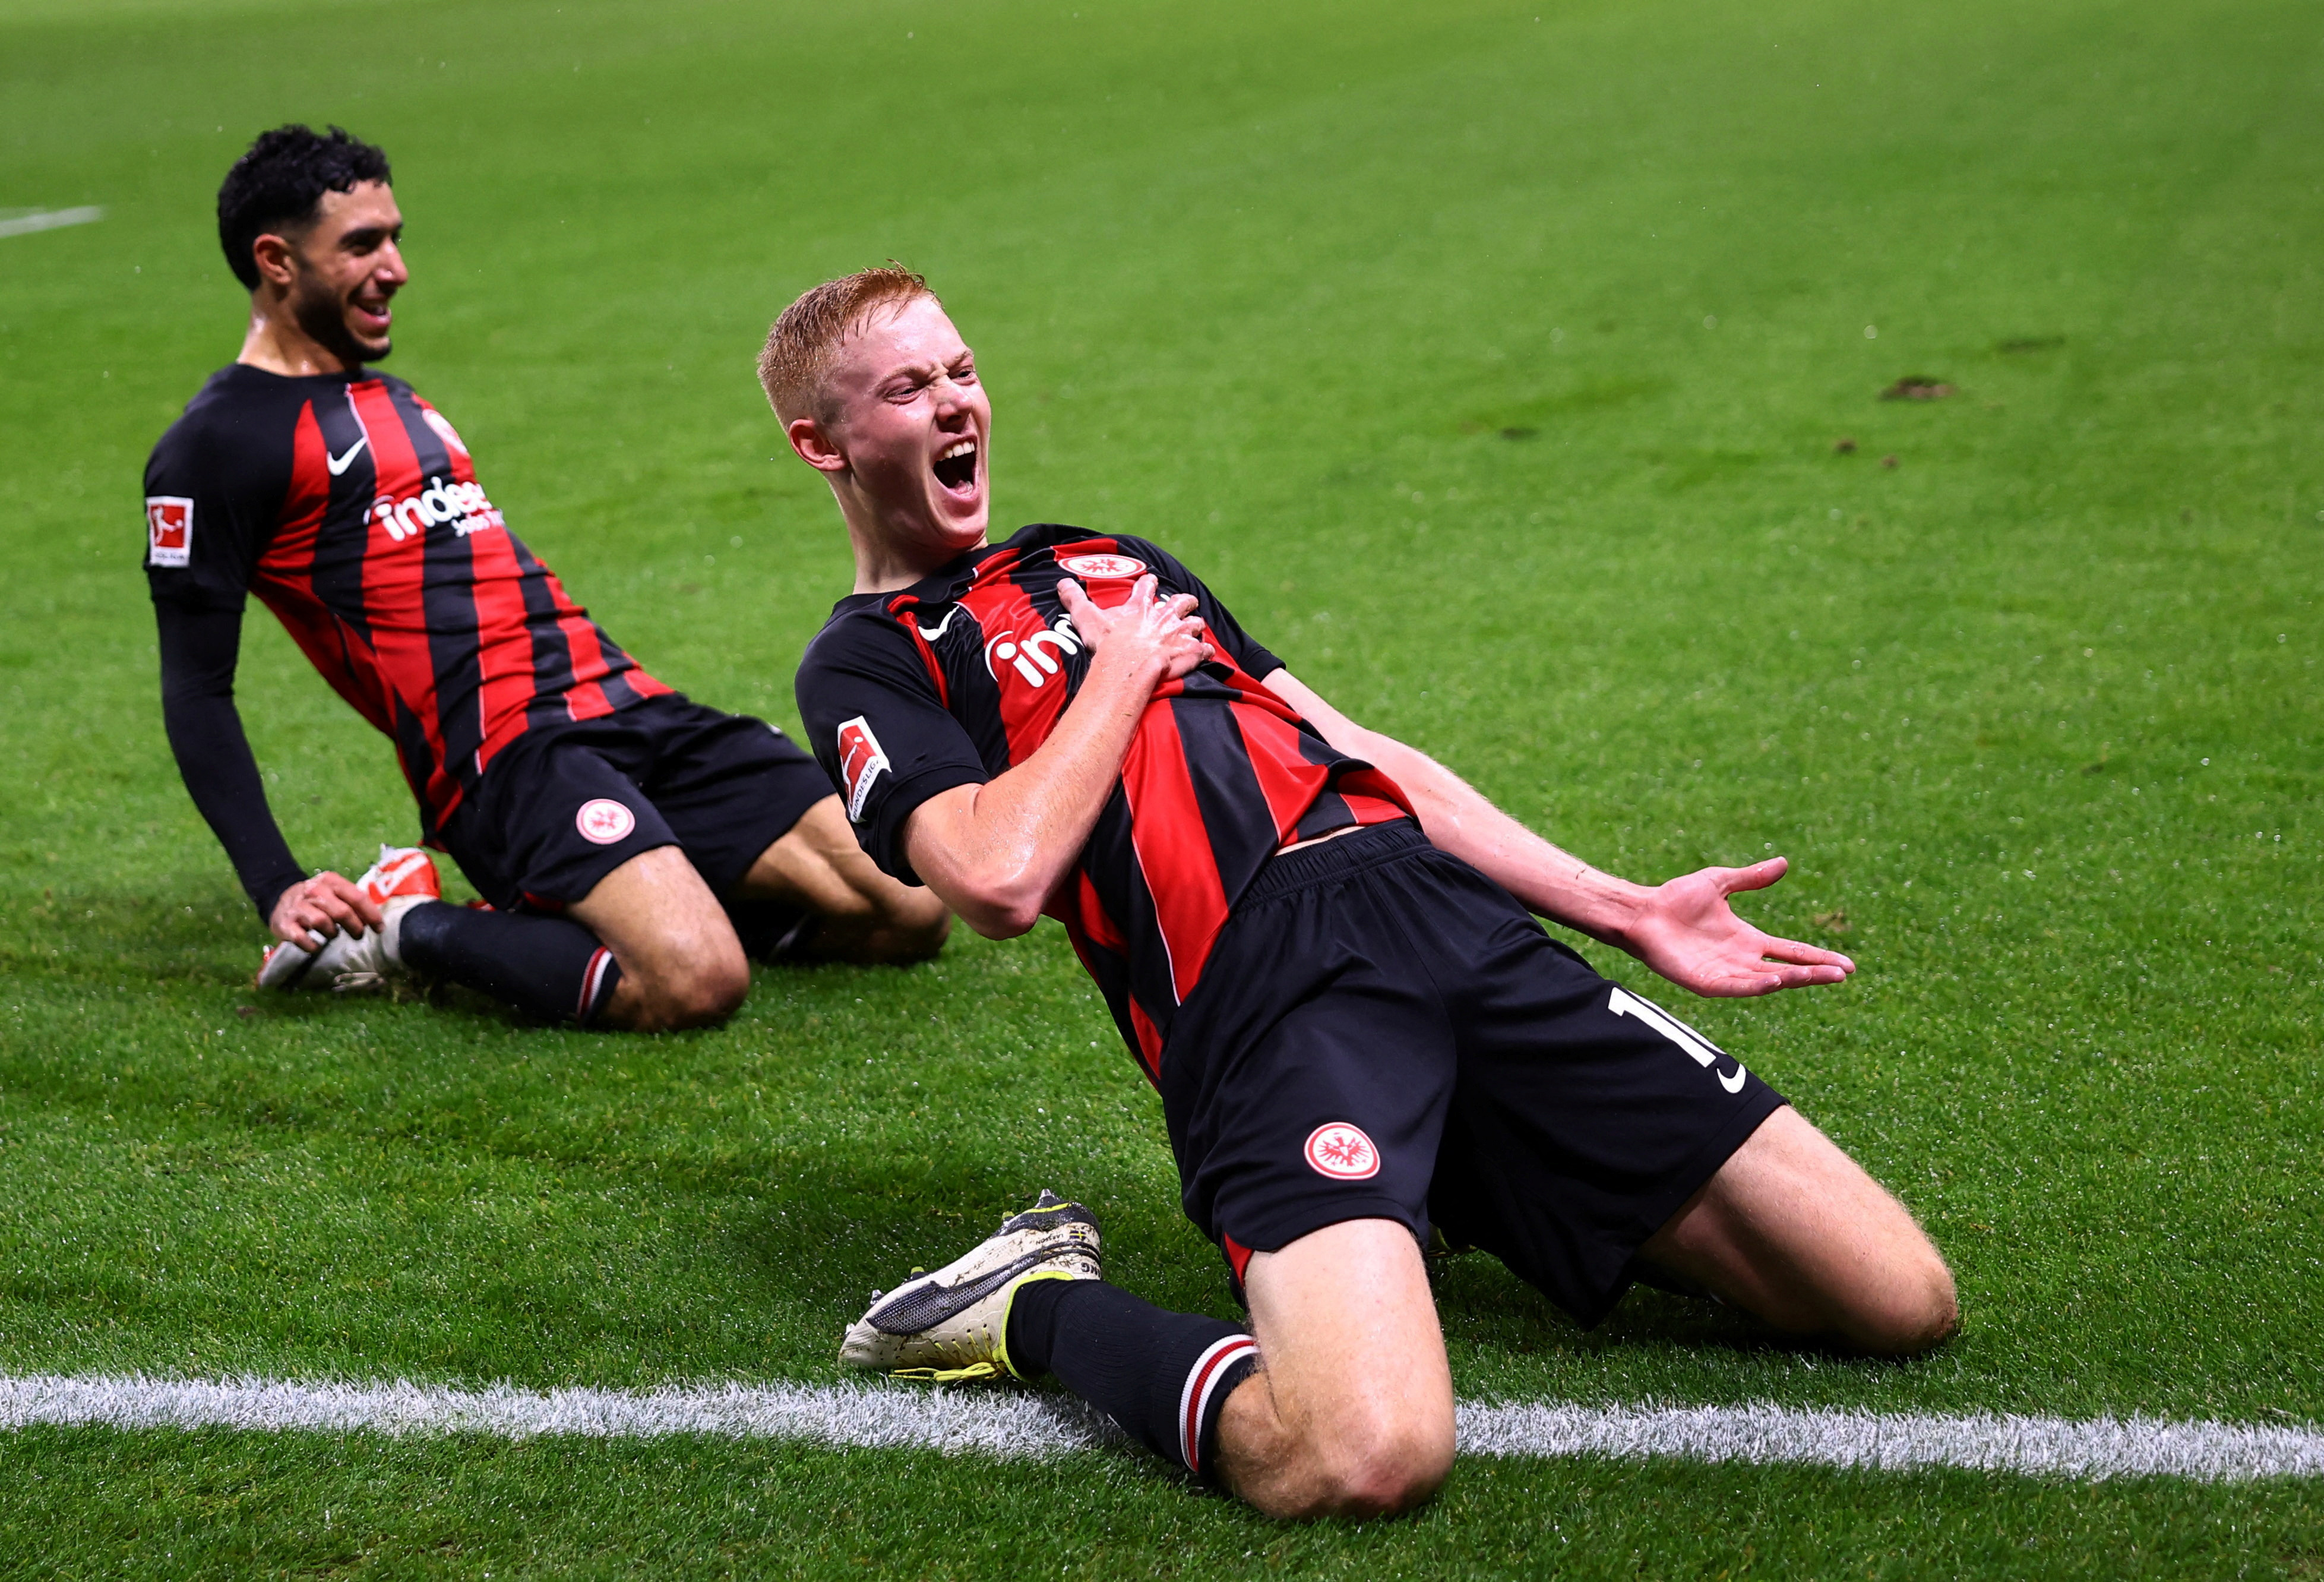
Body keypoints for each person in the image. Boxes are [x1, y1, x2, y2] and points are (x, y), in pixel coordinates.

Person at [775, 268, 1958, 1518]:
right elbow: (994, 877)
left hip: (1434, 915)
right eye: (908, 389)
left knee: (1896, 1299)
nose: (956, 403)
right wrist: (1116, 677)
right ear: (824, 443)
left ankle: (1447, 1157)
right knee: (1358, 1460)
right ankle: (1031, 1306)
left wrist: (1621, 906)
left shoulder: (1105, 558)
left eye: (960, 371)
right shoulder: (866, 661)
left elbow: (1358, 748)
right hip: (1262, 990)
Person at [144, 128, 946, 1031]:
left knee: (906, 908)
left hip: (629, 706)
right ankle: (400, 924)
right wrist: (277, 884)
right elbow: (198, 686)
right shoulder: (213, 448)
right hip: (504, 756)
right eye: (363, 245)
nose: (397, 268)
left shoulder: (393, 399)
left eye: (395, 236)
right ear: (275, 260)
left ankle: (654, 891)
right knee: (695, 983)